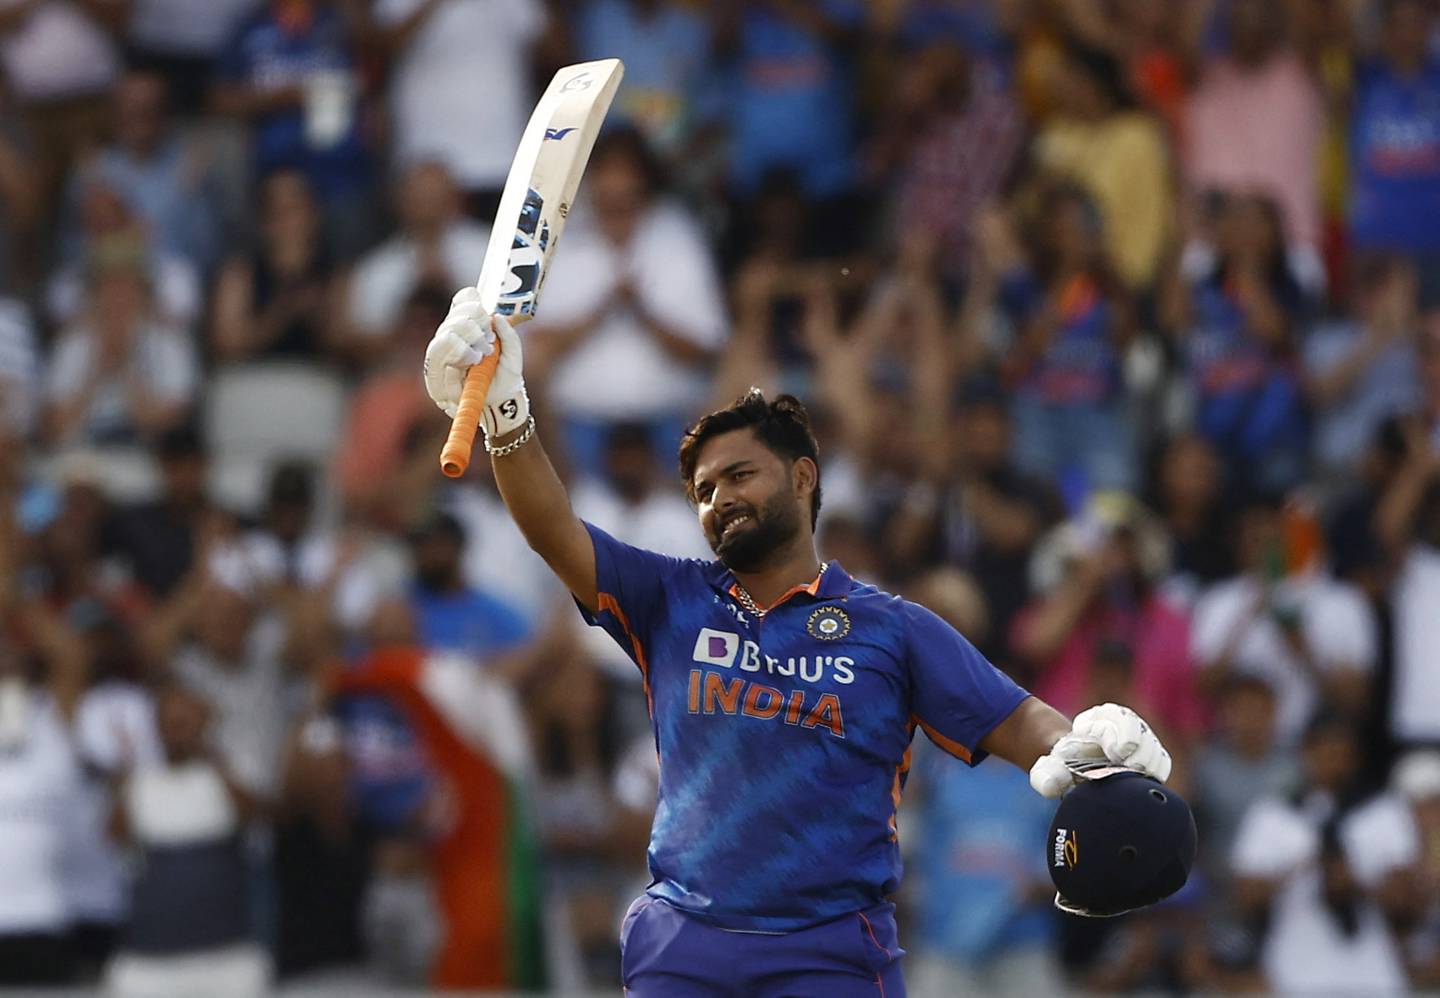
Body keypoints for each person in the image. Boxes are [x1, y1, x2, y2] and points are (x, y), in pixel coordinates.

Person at [421, 295, 1175, 995]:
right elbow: (555, 531)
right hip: (682, 947)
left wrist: (1082, 744)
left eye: (739, 475)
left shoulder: (895, 628)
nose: (719, 501)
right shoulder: (670, 598)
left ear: (805, 476)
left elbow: (1016, 722)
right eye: (705, 492)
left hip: (830, 955)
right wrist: (508, 415)